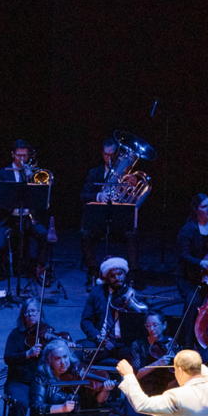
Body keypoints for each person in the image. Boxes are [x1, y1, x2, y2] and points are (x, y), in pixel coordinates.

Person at [0, 140, 49, 278]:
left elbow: (40, 198)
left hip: (28, 217)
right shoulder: (2, 173)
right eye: (19, 155)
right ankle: (1, 271)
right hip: (9, 217)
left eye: (24, 156)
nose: (22, 159)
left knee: (44, 235)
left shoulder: (33, 173)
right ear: (12, 155)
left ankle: (39, 269)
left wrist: (30, 179)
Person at [79, 256, 148, 362]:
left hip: (124, 343)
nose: (117, 278)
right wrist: (99, 338)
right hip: (101, 341)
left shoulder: (133, 294)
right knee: (78, 352)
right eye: (112, 276)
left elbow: (146, 319)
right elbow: (85, 321)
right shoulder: (97, 293)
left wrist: (133, 308)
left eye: (119, 274)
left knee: (138, 358)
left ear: (125, 274)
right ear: (106, 278)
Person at [79, 138, 122, 280]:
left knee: (132, 233)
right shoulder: (94, 172)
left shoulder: (126, 174)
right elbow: (83, 195)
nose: (108, 158)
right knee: (85, 233)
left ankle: (133, 273)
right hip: (98, 219)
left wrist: (130, 185)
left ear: (117, 155)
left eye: (112, 155)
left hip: (118, 218)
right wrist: (98, 196)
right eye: (105, 154)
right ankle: (93, 269)